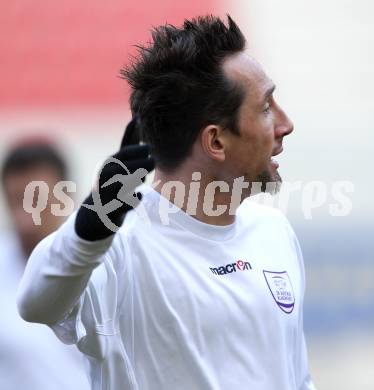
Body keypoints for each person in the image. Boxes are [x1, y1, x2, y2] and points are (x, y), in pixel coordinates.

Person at [17, 16, 317, 389]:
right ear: (216, 142)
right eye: (266, 107)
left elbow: (297, 378)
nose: (285, 124)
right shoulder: (120, 242)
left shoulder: (273, 230)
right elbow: (34, 304)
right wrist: (90, 225)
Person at [0, 138, 89, 389]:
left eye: (36, 200)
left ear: (64, 196)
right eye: (16, 200)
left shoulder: (105, 265)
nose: (25, 216)